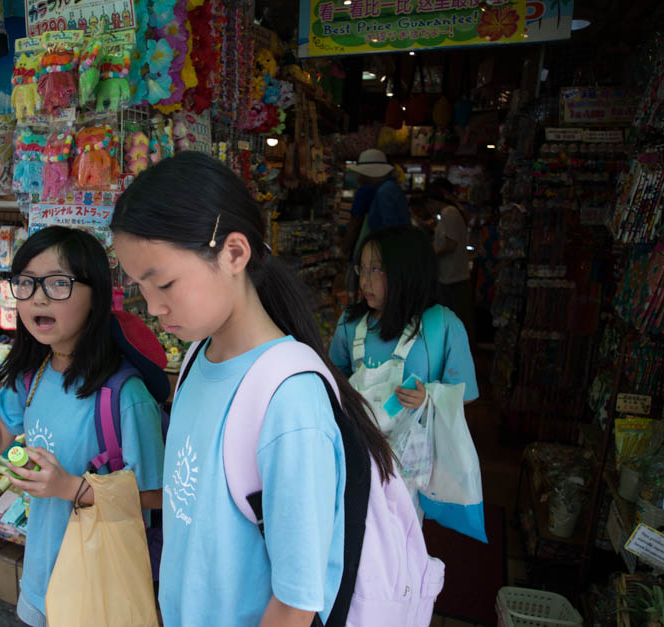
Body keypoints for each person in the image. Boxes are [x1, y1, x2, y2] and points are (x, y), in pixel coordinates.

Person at [111, 151, 404, 626]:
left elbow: (295, 603)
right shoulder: (195, 359)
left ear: (234, 253)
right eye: (141, 288)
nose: (153, 308)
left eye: (163, 283)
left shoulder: (290, 404)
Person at [0, 226, 165, 627]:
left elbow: (156, 497)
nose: (37, 297)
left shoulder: (125, 395)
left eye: (57, 284)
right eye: (27, 284)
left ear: (96, 296)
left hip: (98, 584)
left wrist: (70, 487)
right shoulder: (31, 377)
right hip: (40, 577)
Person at [329, 225, 478, 513]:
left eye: (376, 270)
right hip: (354, 457)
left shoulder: (443, 326)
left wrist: (430, 399)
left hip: (410, 467)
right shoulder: (350, 323)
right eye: (362, 269)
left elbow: (466, 395)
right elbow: (333, 378)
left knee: (401, 536)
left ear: (406, 272)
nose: (365, 282)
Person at [340, 148, 410, 266]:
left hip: (387, 259)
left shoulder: (384, 192)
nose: (359, 178)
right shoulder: (392, 188)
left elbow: (391, 232)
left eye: (361, 174)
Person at [427, 178, 475, 344]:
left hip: (452, 276)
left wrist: (431, 254)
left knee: (455, 318)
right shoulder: (450, 213)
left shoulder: (449, 213)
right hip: (452, 275)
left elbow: (450, 244)